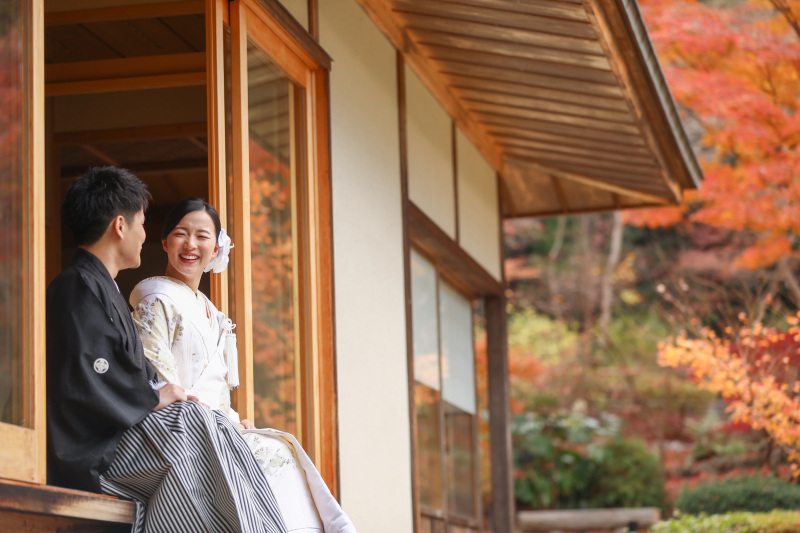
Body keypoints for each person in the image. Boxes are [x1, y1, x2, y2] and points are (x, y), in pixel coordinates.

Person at [46, 167, 287, 533]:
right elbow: (88, 377)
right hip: (90, 448)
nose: (145, 234)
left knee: (212, 431)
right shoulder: (78, 286)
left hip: (115, 436)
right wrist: (154, 397)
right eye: (142, 224)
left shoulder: (101, 287)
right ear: (120, 226)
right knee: (191, 429)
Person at [130, 197, 357, 533]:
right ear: (165, 242)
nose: (191, 244)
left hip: (215, 424)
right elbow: (161, 380)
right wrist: (218, 423)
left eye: (202, 236)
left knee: (281, 450)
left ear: (216, 246)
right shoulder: (154, 297)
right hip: (183, 425)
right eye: (181, 233)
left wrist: (234, 421)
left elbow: (217, 387)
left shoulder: (209, 310)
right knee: (266, 458)